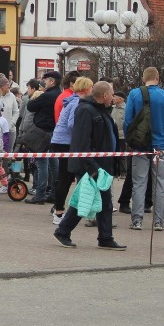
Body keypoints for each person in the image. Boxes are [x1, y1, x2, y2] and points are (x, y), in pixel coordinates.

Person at [53, 81, 126, 250]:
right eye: (112, 93)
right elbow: (81, 142)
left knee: (103, 200)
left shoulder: (101, 110)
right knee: (85, 199)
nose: (114, 97)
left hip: (102, 164)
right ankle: (63, 231)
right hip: (91, 165)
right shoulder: (86, 110)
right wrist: (92, 167)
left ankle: (104, 237)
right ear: (105, 96)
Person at [123, 67, 164, 231]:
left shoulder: (134, 94)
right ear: (158, 78)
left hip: (139, 146)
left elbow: (127, 121)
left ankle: (137, 220)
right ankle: (158, 221)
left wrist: (130, 140)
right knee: (159, 184)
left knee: (139, 183)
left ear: (143, 78)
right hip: (159, 145)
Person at [49, 77, 94, 222]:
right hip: (65, 143)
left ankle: (58, 208)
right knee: (65, 177)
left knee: (66, 177)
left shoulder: (73, 100)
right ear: (86, 89)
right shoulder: (77, 102)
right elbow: (72, 124)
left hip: (61, 141)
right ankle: (59, 211)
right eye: (91, 87)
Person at [22, 70, 62, 204]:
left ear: (52, 81)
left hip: (43, 131)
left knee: (42, 163)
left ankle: (40, 194)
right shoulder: (58, 94)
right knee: (53, 162)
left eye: (46, 80)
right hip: (52, 131)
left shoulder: (48, 95)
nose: (43, 82)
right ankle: (55, 192)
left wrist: (39, 96)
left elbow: (31, 106)